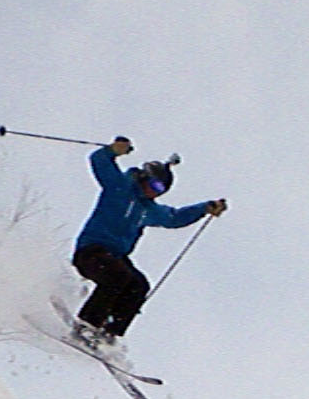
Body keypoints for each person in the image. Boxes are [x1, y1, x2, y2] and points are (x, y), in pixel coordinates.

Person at [71, 137, 226, 338]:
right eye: (153, 184)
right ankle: (87, 325)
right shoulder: (119, 186)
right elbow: (99, 162)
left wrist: (204, 208)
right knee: (119, 277)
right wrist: (113, 150)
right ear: (144, 177)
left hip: (115, 256)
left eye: (160, 190)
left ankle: (110, 334)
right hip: (91, 251)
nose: (153, 192)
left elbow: (175, 217)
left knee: (138, 285)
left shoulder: (149, 209)